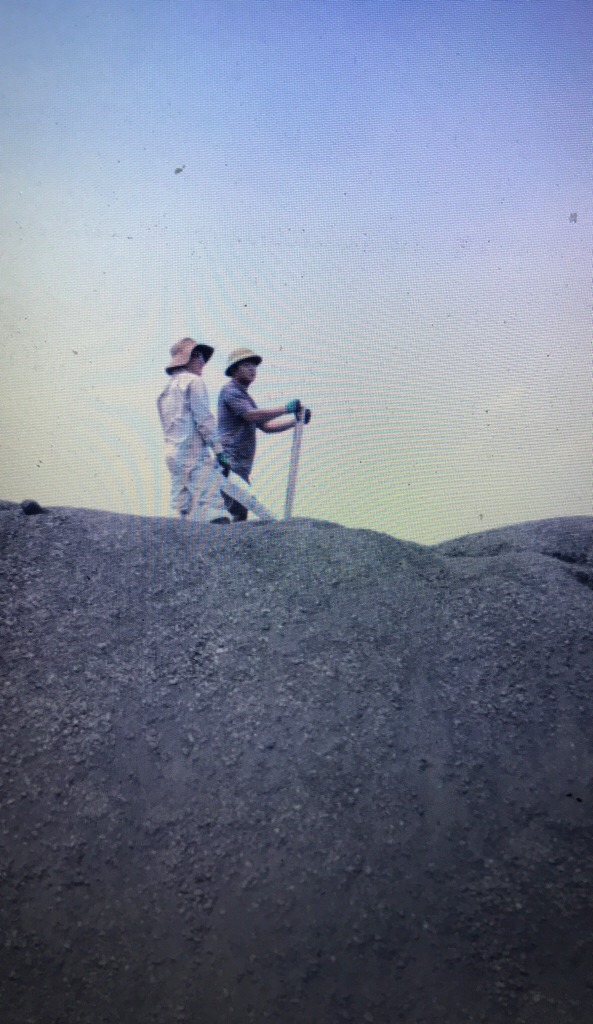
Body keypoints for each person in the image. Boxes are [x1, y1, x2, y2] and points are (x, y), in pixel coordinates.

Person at [217, 347, 308, 522]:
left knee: (239, 512)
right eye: (246, 365)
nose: (252, 369)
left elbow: (265, 426)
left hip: (241, 466)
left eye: (254, 366)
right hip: (230, 463)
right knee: (234, 511)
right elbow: (250, 416)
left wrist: (295, 422)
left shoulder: (245, 397)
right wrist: (286, 409)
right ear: (234, 369)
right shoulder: (230, 391)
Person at [157, 338, 231, 521]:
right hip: (194, 451)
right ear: (186, 358)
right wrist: (219, 451)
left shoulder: (164, 391)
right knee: (212, 504)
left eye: (203, 358)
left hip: (173, 454)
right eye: (197, 356)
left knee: (180, 507)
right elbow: (204, 420)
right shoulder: (194, 381)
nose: (202, 362)